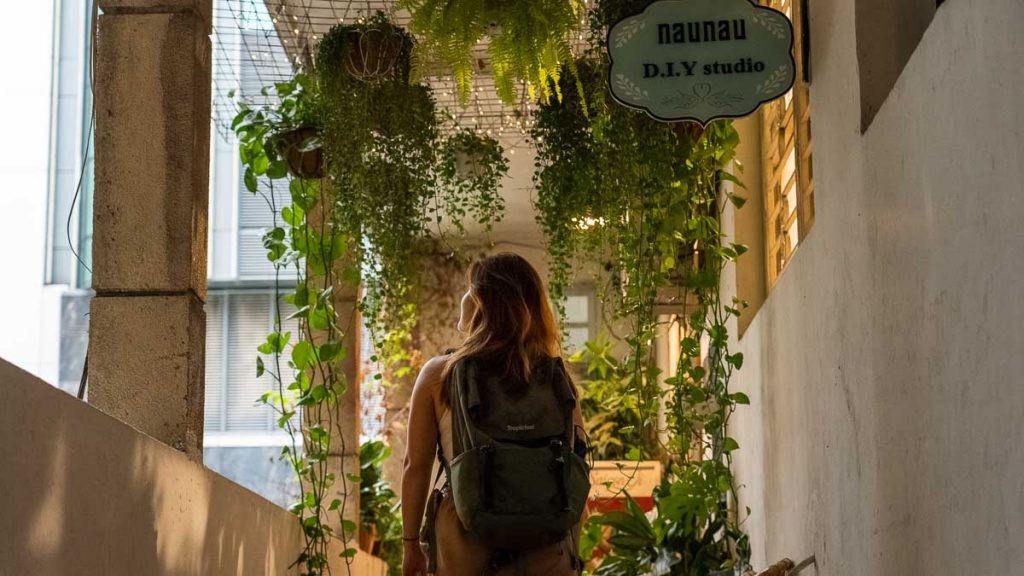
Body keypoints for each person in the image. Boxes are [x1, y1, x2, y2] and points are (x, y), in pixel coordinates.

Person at [401, 253, 585, 576]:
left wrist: (411, 545)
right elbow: (577, 461)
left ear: (483, 304)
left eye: (470, 289)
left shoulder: (441, 375)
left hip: (466, 546)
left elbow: (415, 467)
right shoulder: (556, 379)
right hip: (546, 550)